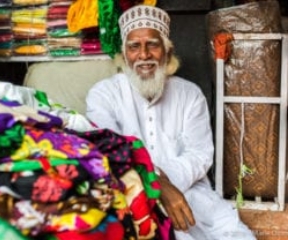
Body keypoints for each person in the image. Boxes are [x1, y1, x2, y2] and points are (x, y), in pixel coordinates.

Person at [86, 4, 256, 240]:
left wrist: (168, 184)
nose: (144, 55)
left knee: (235, 234)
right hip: (132, 194)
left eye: (153, 44)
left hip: (191, 192)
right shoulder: (103, 95)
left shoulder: (190, 94)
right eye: (134, 46)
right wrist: (159, 187)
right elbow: (113, 152)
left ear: (166, 50)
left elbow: (200, 154)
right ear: (124, 54)